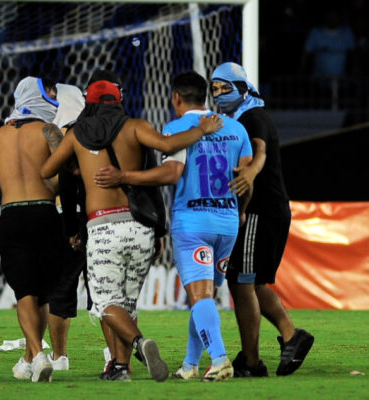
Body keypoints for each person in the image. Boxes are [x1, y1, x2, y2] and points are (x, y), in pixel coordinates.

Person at [41, 70, 222, 382]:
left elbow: (47, 170)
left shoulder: (77, 134)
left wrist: (69, 156)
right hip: (140, 226)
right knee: (126, 303)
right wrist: (201, 130)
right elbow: (167, 147)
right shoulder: (135, 126)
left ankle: (140, 343)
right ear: (119, 97)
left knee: (104, 303)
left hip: (102, 227)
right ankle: (121, 368)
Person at [95, 72, 252, 382]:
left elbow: (171, 173)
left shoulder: (177, 128)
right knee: (203, 296)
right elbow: (247, 181)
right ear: (205, 96)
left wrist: (123, 177)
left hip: (192, 221)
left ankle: (220, 359)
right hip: (228, 222)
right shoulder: (237, 128)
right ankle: (191, 364)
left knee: (200, 296)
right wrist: (241, 213)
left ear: (176, 98)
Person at [212, 61, 314, 377]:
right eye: (213, 88)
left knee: (241, 283)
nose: (217, 94)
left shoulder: (252, 118)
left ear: (243, 88)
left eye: (224, 87)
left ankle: (253, 362)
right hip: (266, 211)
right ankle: (290, 337)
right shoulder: (248, 117)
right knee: (250, 283)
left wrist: (252, 171)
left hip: (259, 211)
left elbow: (260, 151)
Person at [0, 76, 61, 382]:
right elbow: (62, 177)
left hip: (12, 215)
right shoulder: (48, 131)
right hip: (45, 213)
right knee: (42, 294)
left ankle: (35, 355)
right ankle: (35, 355)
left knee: (24, 292)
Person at [45, 83, 87, 371]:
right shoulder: (101, 132)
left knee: (60, 290)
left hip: (66, 216)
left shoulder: (52, 133)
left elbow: (57, 182)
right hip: (103, 216)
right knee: (108, 293)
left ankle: (59, 357)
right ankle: (116, 357)